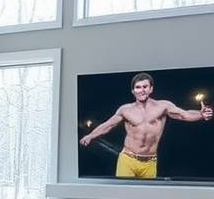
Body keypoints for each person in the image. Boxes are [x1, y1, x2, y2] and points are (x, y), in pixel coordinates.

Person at [79, 72, 212, 178]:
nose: (141, 90)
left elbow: (185, 114)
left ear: (151, 89)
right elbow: (107, 125)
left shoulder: (163, 106)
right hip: (128, 160)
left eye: (145, 86)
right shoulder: (125, 110)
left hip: (150, 162)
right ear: (133, 91)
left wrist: (201, 114)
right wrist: (90, 136)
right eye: (138, 87)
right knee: (123, 196)